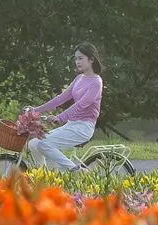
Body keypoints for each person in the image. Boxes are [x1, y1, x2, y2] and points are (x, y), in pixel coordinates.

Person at [24, 43, 103, 171]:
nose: (77, 62)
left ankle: (76, 171)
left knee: (44, 145)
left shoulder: (96, 83)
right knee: (33, 144)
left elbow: (80, 105)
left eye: (81, 58)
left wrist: (60, 117)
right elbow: (61, 98)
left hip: (83, 128)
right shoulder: (79, 78)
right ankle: (42, 178)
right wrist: (36, 110)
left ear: (91, 59)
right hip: (71, 125)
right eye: (76, 58)